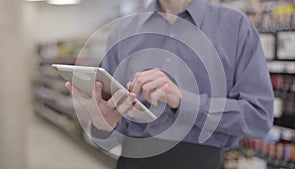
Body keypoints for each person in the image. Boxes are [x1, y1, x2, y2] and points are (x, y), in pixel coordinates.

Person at [65, 0, 274, 168]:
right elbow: (109, 138)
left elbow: (258, 116)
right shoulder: (122, 31)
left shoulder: (235, 26)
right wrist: (103, 125)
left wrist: (183, 101)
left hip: (202, 161)